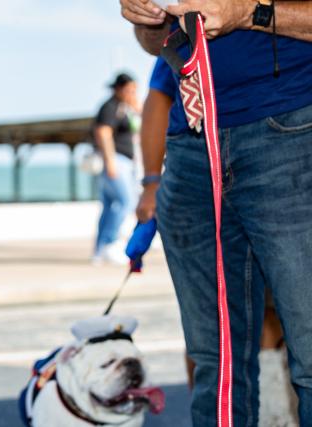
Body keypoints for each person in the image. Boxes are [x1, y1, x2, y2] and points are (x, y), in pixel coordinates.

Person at [120, 0, 312, 425]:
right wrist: (148, 19)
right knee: (215, 363)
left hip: (293, 132)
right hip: (192, 146)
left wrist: (250, 12)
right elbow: (156, 62)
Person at [92, 73, 141, 266]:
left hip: (123, 161)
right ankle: (110, 244)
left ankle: (99, 249)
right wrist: (110, 161)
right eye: (129, 90)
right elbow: (103, 132)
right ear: (118, 88)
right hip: (116, 160)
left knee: (109, 204)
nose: (132, 94)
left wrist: (135, 105)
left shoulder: (125, 108)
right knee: (126, 201)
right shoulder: (110, 107)